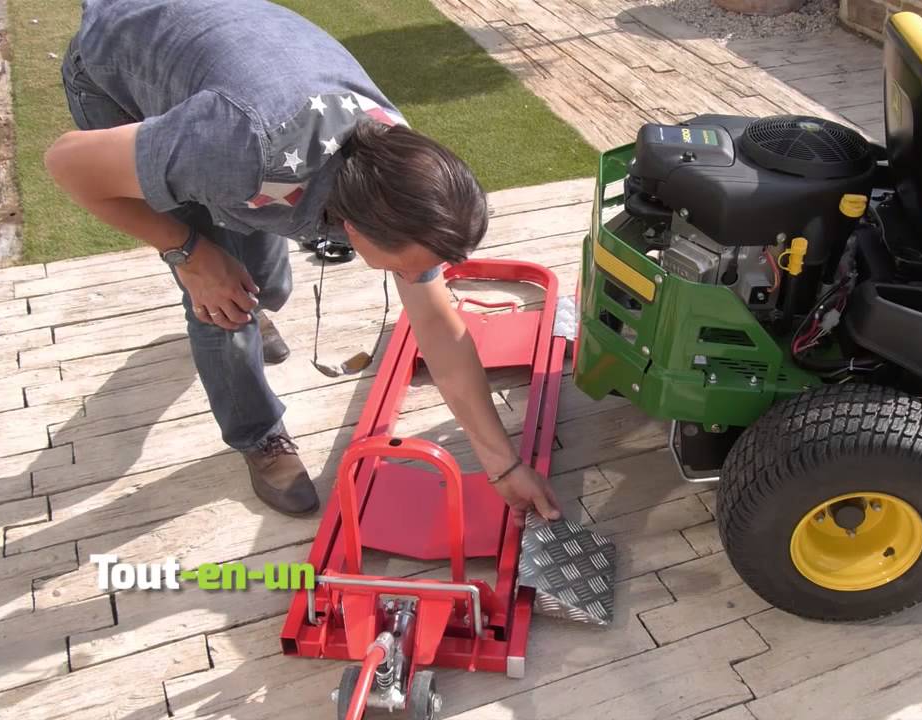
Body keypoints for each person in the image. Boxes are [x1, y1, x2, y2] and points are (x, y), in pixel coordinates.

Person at [44, 0, 561, 522]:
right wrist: (191, 254)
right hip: (118, 71)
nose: (412, 278)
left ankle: (249, 296)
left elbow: (435, 323)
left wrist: (503, 465)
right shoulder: (239, 151)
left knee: (264, 282)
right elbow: (66, 163)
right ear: (350, 227)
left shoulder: (398, 167)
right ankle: (259, 435)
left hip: (225, 78)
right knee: (224, 299)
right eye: (401, 268)